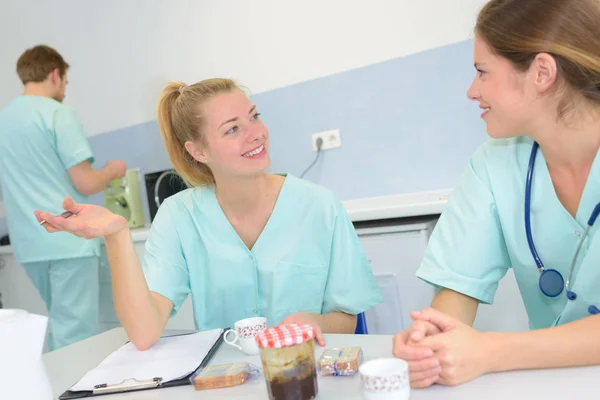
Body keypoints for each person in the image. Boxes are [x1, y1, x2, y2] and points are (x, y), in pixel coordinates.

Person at [36, 78, 383, 350]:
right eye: (232, 129)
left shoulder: (320, 207)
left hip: (306, 376)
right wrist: (116, 236)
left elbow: (347, 318)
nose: (256, 133)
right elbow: (143, 333)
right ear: (198, 150)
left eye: (254, 116)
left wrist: (315, 323)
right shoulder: (178, 216)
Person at [392, 0, 600, 388]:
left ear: (541, 72)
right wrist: (433, 342)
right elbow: (455, 289)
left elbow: (486, 351)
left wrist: (488, 351)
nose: (472, 91)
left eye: (482, 72)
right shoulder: (493, 165)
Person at [0, 45, 127, 351]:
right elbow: (85, 182)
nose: (64, 90)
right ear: (55, 74)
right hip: (68, 240)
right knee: (77, 335)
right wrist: (112, 169)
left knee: (63, 327)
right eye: (66, 83)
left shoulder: (4, 120)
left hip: (29, 244)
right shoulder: (58, 114)